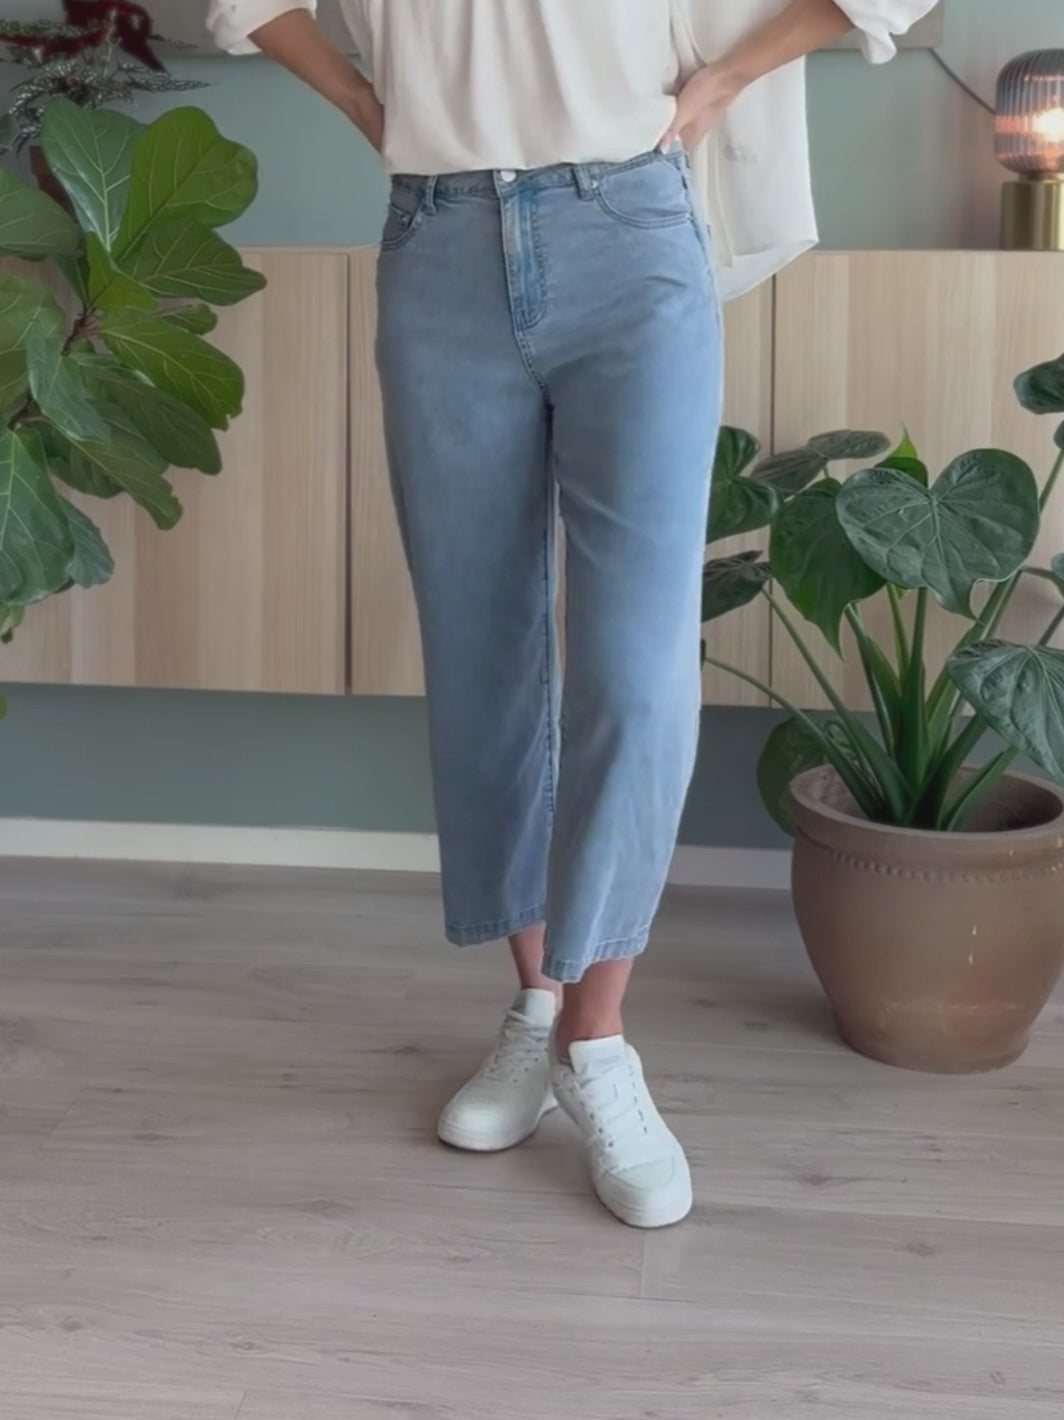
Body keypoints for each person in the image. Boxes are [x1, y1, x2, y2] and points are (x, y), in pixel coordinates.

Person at [208, 0, 936, 1229]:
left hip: (628, 231)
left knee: (637, 666)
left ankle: (595, 1040)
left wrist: (724, 78)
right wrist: (368, 107)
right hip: (438, 240)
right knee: (480, 649)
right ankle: (537, 1005)